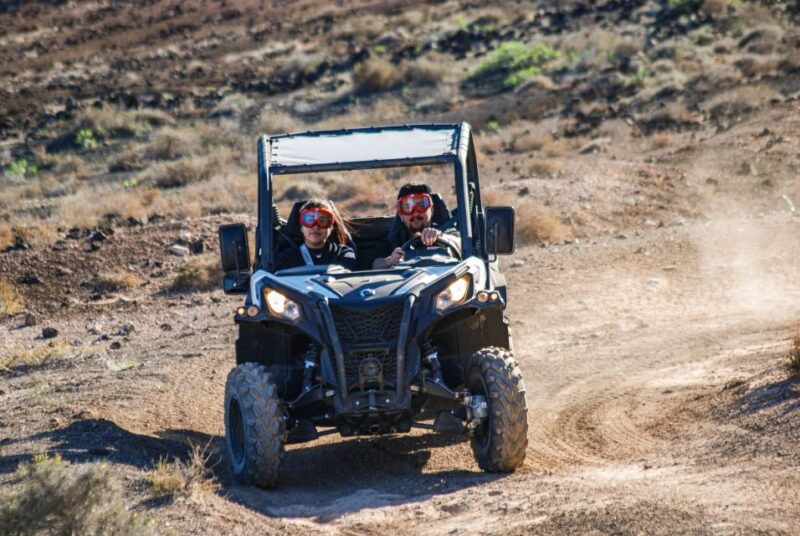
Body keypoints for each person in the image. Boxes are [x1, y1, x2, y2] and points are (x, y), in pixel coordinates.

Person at [373, 183, 454, 269]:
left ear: (432, 210)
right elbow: (375, 265)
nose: (415, 213)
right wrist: (390, 260)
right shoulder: (394, 239)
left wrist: (442, 237)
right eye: (407, 207)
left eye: (422, 205)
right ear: (401, 215)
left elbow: (461, 242)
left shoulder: (446, 230)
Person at [275, 200, 357, 271]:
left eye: (323, 221)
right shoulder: (287, 258)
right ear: (301, 228)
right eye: (309, 220)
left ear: (331, 228)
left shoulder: (343, 253)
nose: (315, 226)